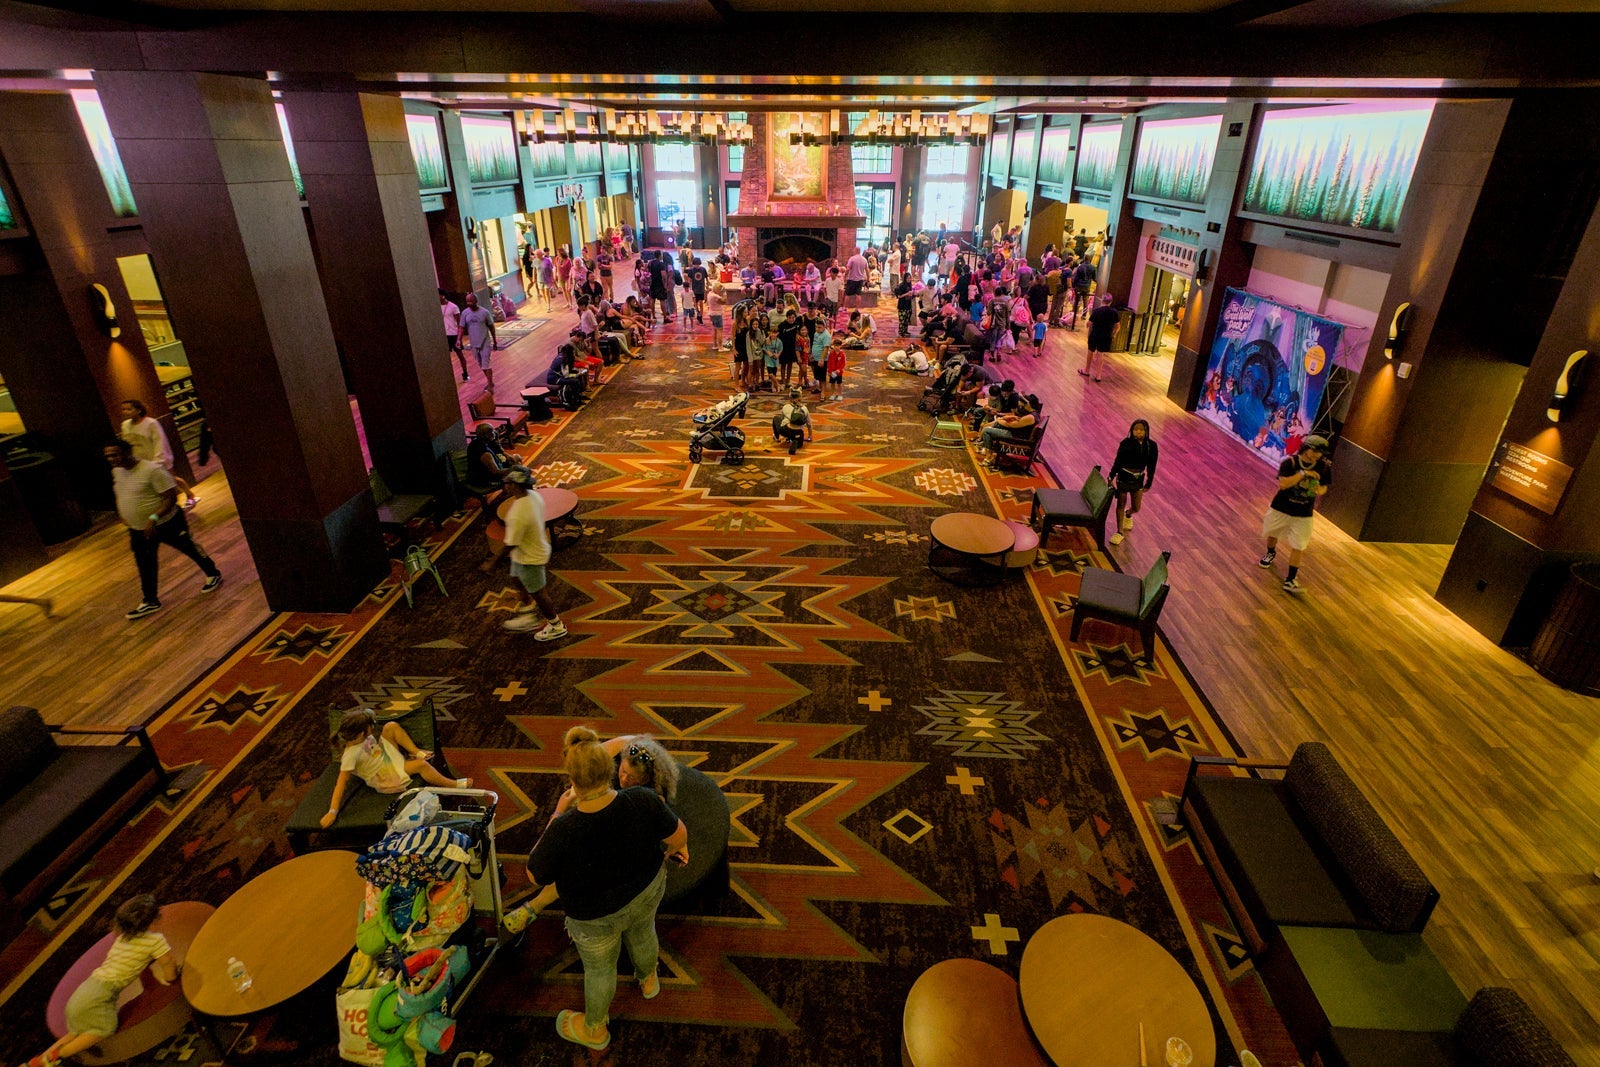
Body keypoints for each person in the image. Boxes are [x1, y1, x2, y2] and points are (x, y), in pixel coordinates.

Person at [527, 726, 688, 1052]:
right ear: (610, 769)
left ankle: (596, 1030)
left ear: (572, 782)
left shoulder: (563, 828)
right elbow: (679, 836)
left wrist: (558, 810)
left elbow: (535, 876)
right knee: (644, 934)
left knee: (600, 970)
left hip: (594, 917)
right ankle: (648, 979)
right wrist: (672, 850)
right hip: (645, 892)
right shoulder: (643, 799)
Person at [501, 732, 680, 935]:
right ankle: (535, 905)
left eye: (631, 777)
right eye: (622, 770)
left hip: (623, 855)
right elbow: (622, 743)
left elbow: (534, 874)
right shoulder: (640, 792)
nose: (623, 778)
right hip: (620, 843)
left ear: (647, 778)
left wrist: (559, 811)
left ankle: (535, 905)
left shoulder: (647, 799)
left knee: (575, 865)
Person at [19, 895, 178, 1067]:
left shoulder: (122, 938)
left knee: (76, 1032)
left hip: (84, 992)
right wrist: (171, 978)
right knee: (104, 1028)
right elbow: (168, 963)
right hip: (98, 998)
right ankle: (60, 1055)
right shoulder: (155, 941)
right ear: (154, 919)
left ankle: (38, 1061)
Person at [105, 437, 220, 621]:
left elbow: (170, 498)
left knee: (188, 547)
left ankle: (213, 573)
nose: (111, 459)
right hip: (138, 529)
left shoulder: (151, 470)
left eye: (115, 454)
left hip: (167, 523)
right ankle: (150, 600)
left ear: (127, 452)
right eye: (108, 456)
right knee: (145, 563)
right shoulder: (117, 472)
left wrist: (153, 518)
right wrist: (124, 513)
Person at [321, 708, 469, 828]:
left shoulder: (360, 738)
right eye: (370, 726)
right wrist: (332, 812)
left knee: (391, 727)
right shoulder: (350, 755)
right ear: (361, 733)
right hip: (385, 774)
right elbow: (340, 784)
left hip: (384, 758)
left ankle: (415, 751)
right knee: (421, 766)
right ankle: (452, 786)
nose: (373, 728)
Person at [1260, 435, 1333, 594]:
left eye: (1320, 453)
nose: (1317, 455)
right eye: (1314, 451)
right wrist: (1303, 474)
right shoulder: (1289, 463)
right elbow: (1284, 484)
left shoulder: (1324, 468)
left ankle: (1290, 579)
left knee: (1299, 545)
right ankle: (1271, 552)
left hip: (1304, 513)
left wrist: (1318, 490)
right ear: (1306, 448)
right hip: (1281, 508)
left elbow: (1324, 488)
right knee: (1272, 534)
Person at [500, 468, 567, 639]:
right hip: (526, 551)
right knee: (517, 579)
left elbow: (510, 543)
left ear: (514, 485)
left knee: (539, 592)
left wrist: (492, 562)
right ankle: (528, 614)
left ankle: (556, 625)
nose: (505, 486)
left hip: (530, 558)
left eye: (507, 483)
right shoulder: (534, 496)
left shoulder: (517, 514)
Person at [120, 399, 198, 510]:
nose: (125, 412)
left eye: (129, 409)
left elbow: (159, 442)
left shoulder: (150, 423)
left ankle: (189, 494)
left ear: (138, 410)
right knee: (155, 485)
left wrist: (158, 460)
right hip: (140, 460)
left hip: (155, 458)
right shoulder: (125, 425)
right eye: (123, 409)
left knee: (170, 480)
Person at [1108, 419, 1159, 546]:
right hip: (1124, 477)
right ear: (1132, 430)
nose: (1138, 432)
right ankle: (1119, 532)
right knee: (1121, 503)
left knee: (1136, 507)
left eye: (1141, 429)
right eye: (1136, 429)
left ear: (1146, 431)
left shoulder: (1152, 446)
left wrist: (1149, 481)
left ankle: (1128, 514)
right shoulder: (1125, 443)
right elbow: (1118, 461)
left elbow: (1152, 465)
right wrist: (1111, 476)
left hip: (1138, 479)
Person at [460, 292, 498, 393]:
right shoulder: (465, 313)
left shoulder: (485, 312)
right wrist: (458, 340)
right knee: (481, 364)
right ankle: (490, 381)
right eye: (467, 301)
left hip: (484, 342)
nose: (469, 303)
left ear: (476, 301)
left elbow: (491, 327)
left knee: (486, 364)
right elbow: (462, 327)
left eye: (471, 301)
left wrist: (494, 341)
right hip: (473, 343)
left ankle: (490, 385)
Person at [1081, 294, 1120, 381]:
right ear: (1111, 302)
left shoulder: (1096, 311)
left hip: (1095, 334)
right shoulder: (1114, 312)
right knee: (1100, 354)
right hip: (1106, 335)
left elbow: (1089, 324)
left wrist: (1087, 327)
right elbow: (1118, 326)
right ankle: (1098, 375)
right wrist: (1114, 334)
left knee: (1090, 351)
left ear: (1102, 300)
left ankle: (1086, 370)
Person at [772, 387, 812, 455]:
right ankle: (795, 440)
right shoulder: (804, 408)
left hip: (786, 430)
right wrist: (810, 436)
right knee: (799, 445)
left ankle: (777, 437)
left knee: (776, 418)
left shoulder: (786, 407)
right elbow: (809, 424)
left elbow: (782, 420)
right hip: (799, 432)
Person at [441, 290, 469, 381]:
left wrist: (458, 337)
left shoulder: (453, 307)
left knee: (460, 355)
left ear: (443, 296)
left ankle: (465, 372)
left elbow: (459, 322)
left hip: (453, 334)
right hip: (444, 335)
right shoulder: (436, 307)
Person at [825, 332, 847, 402]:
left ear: (840, 346)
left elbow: (843, 364)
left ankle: (840, 394)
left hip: (839, 373)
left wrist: (839, 370)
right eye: (835, 346)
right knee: (832, 383)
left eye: (838, 346)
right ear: (833, 346)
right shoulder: (831, 353)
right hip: (832, 372)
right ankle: (833, 394)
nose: (836, 347)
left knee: (839, 384)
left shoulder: (842, 354)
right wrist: (829, 371)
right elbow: (829, 362)